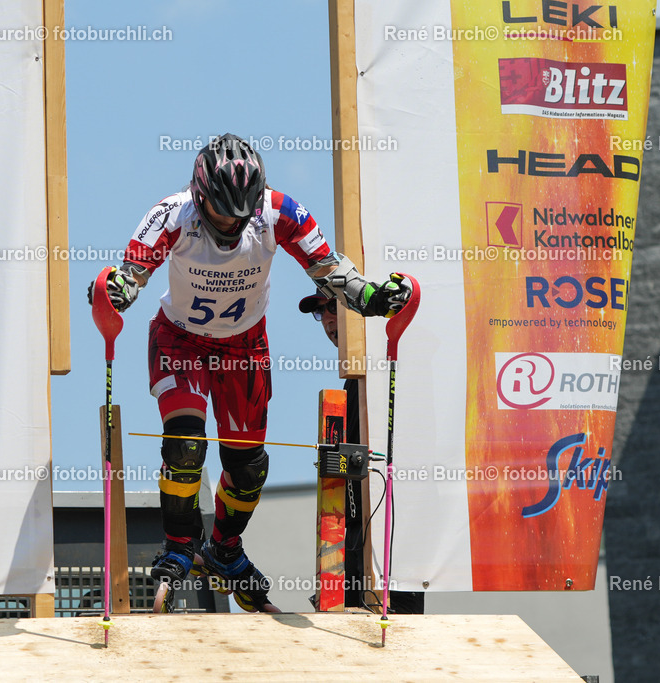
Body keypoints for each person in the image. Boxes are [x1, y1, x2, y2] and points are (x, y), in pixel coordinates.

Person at [90, 133, 409, 611]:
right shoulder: (173, 214)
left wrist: (372, 298)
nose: (231, 225)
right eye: (221, 214)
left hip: (244, 347)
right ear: (200, 197)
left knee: (249, 468)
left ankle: (224, 549)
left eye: (241, 215)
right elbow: (131, 274)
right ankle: (179, 546)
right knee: (184, 445)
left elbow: (330, 270)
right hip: (181, 341)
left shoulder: (280, 212)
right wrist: (115, 291)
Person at [298, 288, 424, 614]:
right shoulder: (355, 381)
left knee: (396, 636)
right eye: (320, 312)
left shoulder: (383, 370)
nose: (326, 318)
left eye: (331, 306)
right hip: (355, 534)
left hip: (391, 539)